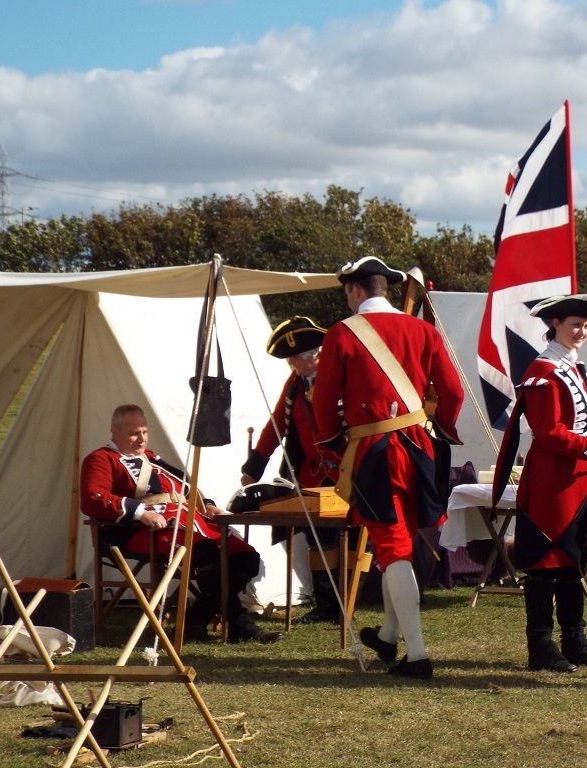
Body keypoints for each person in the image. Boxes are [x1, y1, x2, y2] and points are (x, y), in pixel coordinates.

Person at [311, 256, 463, 679]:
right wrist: (442, 427)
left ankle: (417, 656)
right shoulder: (424, 330)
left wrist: (331, 441)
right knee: (399, 542)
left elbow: (324, 402)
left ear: (355, 291)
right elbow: (451, 390)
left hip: (376, 451)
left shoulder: (342, 333)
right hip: (420, 447)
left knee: (393, 546)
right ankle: (388, 635)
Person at [80, 404, 282, 644]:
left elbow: (186, 484)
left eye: (144, 432)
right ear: (115, 431)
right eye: (134, 433)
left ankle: (196, 619)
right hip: (142, 530)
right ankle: (241, 625)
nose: (141, 439)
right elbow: (93, 497)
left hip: (188, 520)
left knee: (245, 557)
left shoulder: (152, 458)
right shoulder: (101, 459)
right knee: (207, 554)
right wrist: (140, 513)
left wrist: (206, 504)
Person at [493, 295, 587, 674]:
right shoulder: (544, 370)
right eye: (575, 325)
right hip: (552, 481)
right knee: (546, 562)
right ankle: (541, 645)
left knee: (573, 561)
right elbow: (548, 433)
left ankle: (574, 640)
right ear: (556, 324)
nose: (582, 332)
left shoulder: (572, 367)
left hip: (580, 478)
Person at [240, 316, 343, 624]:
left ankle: (348, 597)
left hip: (344, 470)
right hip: (311, 473)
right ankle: (327, 604)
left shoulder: (340, 375)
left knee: (350, 535)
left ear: (316, 355)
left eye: (296, 359)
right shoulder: (296, 384)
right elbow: (276, 426)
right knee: (317, 538)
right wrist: (254, 467)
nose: (293, 366)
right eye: (290, 361)